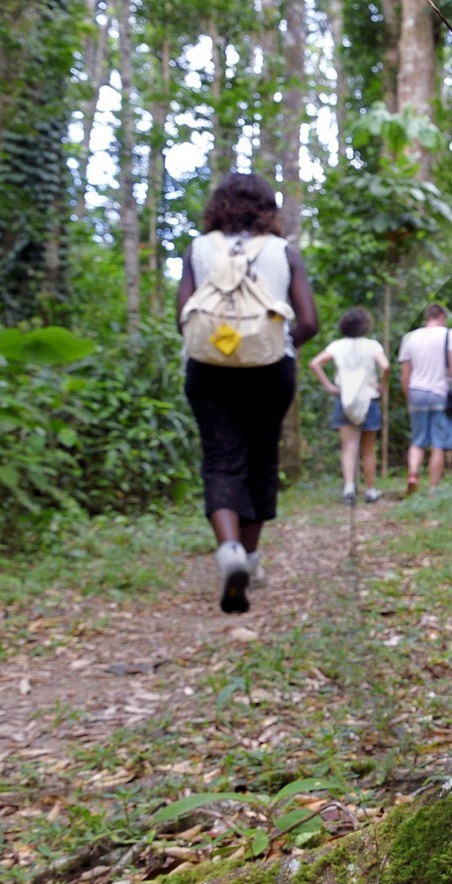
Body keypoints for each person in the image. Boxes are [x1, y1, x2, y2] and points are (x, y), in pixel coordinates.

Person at [175, 172, 319, 613]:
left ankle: (229, 552)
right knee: (261, 459)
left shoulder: (199, 249)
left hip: (208, 369)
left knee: (221, 459)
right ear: (268, 208)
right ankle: (252, 561)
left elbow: (183, 314)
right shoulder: (282, 251)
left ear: (218, 205)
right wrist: (276, 342)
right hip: (270, 369)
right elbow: (310, 322)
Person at [309, 308, 389, 505]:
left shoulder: (337, 346)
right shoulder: (372, 346)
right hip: (368, 398)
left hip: (344, 398)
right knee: (368, 448)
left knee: (349, 446)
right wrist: (382, 386)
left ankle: (348, 488)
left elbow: (315, 363)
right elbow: (386, 366)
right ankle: (370, 490)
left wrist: (329, 386)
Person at [398, 303, 452, 494]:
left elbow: (405, 375)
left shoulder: (409, 337)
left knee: (417, 440)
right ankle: (433, 489)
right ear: (442, 317)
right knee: (438, 444)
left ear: (427, 318)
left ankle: (412, 474)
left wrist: (408, 396)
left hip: (416, 392)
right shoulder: (449, 334)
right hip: (440, 393)